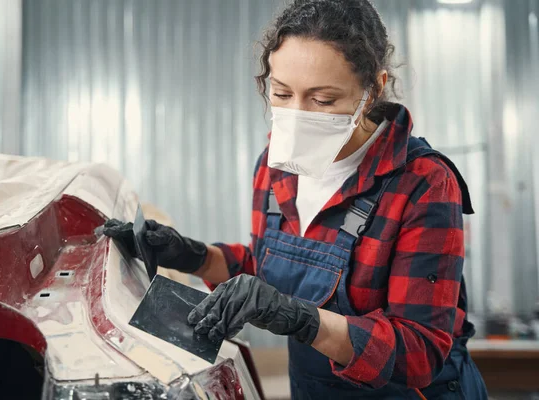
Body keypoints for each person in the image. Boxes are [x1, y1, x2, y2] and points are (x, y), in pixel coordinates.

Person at [104, 0, 488, 398]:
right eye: (282, 93)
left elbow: (420, 352)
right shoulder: (275, 169)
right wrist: (187, 254)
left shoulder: (422, 184)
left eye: (322, 101)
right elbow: (266, 263)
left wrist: (299, 318)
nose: (298, 114)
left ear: (372, 88)